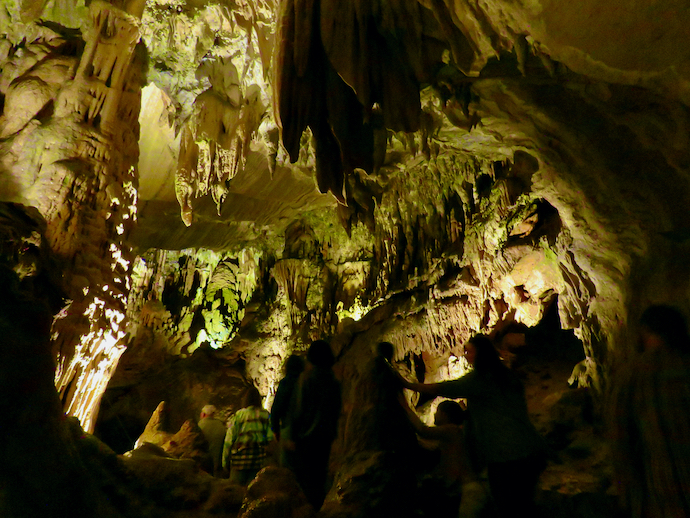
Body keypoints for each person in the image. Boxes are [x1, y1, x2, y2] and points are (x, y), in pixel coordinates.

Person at [390, 333, 546, 518]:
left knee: (508, 507)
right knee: (524, 506)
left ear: (480, 354)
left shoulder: (480, 379)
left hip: (506, 456)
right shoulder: (506, 376)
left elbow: (444, 388)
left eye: (468, 351)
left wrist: (408, 386)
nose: (465, 355)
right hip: (529, 449)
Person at [610, 305, 690, 518]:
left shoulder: (631, 375)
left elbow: (621, 440)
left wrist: (628, 497)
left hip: (663, 490)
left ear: (644, 332)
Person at [400, 396, 487, 518]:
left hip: (468, 490)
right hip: (466, 490)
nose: (434, 414)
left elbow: (423, 430)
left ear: (445, 415)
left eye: (437, 412)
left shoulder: (452, 430)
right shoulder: (452, 435)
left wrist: (405, 407)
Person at [283, 339, 342, 510]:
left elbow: (298, 410)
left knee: (305, 480)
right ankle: (318, 508)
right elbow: (336, 410)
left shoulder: (306, 380)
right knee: (319, 476)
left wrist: (291, 436)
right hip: (325, 437)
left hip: (306, 438)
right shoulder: (333, 382)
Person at [222, 386, 274, 485]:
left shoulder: (238, 416)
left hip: (239, 462)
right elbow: (270, 438)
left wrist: (225, 462)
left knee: (236, 493)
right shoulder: (265, 415)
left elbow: (229, 441)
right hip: (257, 462)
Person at [270, 354, 305, 467]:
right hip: (306, 430)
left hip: (288, 428)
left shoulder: (286, 383)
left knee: (287, 468)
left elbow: (276, 409)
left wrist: (276, 430)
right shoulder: (307, 382)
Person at [198, 404, 227, 476]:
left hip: (204, 466)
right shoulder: (221, 426)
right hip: (220, 466)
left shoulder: (199, 425)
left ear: (203, 414)